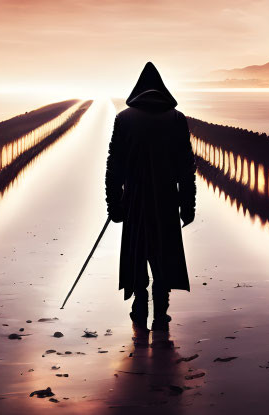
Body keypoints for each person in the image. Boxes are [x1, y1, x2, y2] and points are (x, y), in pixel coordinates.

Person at [105, 62, 197, 338]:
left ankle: (139, 307)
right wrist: (188, 204)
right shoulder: (177, 119)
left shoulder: (124, 119)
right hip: (166, 198)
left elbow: (114, 166)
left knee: (137, 252)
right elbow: (186, 167)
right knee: (163, 254)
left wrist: (114, 203)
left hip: (134, 199)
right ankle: (161, 313)